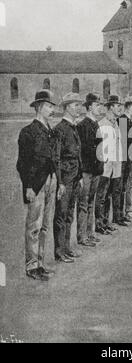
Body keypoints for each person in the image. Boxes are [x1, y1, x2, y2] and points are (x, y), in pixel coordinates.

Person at [17, 90, 58, 281]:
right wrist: (28, 187)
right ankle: (31, 265)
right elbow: (22, 163)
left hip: (50, 181)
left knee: (45, 226)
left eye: (52, 106)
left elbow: (53, 159)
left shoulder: (50, 130)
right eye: (49, 106)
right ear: (39, 107)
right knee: (34, 226)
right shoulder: (28, 132)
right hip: (36, 184)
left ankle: (40, 263)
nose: (51, 110)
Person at [53, 93, 84, 263]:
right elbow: (56, 158)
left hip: (74, 177)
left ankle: (66, 248)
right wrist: (61, 182)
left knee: (69, 214)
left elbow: (77, 155)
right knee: (61, 215)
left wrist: (79, 175)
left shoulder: (74, 127)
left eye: (79, 105)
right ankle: (59, 251)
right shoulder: (60, 129)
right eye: (74, 105)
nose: (78, 108)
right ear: (66, 108)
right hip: (65, 179)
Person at [95, 95, 128, 232]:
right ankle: (99, 224)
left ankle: (106, 222)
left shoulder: (115, 124)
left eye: (119, 105)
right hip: (106, 167)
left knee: (109, 194)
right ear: (109, 108)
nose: (119, 108)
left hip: (115, 166)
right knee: (101, 196)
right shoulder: (103, 124)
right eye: (116, 105)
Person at [76, 93, 103, 247]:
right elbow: (81, 150)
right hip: (87, 170)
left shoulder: (95, 123)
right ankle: (82, 236)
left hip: (96, 169)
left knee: (90, 202)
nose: (99, 107)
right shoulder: (82, 125)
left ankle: (90, 233)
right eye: (97, 105)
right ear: (89, 107)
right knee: (83, 203)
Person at [118, 97, 132, 220]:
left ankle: (127, 210)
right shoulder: (123, 120)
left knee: (128, 184)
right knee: (124, 185)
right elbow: (124, 142)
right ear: (127, 108)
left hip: (129, 157)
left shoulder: (128, 120)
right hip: (125, 158)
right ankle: (125, 211)